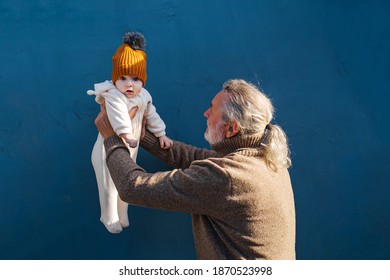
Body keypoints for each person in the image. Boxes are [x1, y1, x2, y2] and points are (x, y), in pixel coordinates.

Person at [94, 79, 296, 259]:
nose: (205, 113)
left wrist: (111, 137)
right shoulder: (267, 159)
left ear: (232, 128)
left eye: (212, 110)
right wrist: (140, 134)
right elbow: (192, 157)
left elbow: (133, 188)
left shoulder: (228, 177)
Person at [87, 32, 172, 234]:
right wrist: (125, 133)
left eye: (135, 78)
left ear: (143, 81)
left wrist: (161, 134)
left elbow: (152, 115)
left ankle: (122, 212)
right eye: (122, 78)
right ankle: (108, 216)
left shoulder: (144, 96)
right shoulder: (113, 95)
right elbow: (117, 116)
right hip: (106, 149)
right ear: (115, 79)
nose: (129, 84)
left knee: (124, 178)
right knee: (109, 182)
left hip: (129, 148)